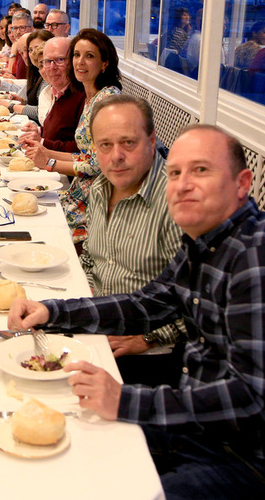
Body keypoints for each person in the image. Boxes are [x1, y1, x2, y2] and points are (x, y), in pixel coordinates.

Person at [9, 125, 265, 500]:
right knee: (66, 442)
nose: (183, 184)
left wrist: (125, 400)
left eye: (201, 170)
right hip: (211, 435)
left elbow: (252, 400)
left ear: (242, 183)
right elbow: (146, 304)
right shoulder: (207, 243)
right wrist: (51, 310)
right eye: (175, 173)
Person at [80, 95, 183, 386]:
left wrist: (147, 339)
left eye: (128, 143)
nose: (116, 156)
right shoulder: (101, 188)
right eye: (105, 145)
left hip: (150, 359)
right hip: (97, 329)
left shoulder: (175, 202)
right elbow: (90, 256)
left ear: (151, 141)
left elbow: (202, 300)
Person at [21, 29, 122, 244]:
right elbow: (85, 154)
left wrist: (49, 161)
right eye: (76, 55)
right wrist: (45, 152)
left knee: (34, 227)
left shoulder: (108, 101)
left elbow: (98, 164)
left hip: (98, 198)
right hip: (81, 189)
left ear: (105, 63)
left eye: (90, 56)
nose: (80, 62)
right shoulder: (90, 98)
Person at [18, 37, 85, 148]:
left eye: (60, 60)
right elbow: (59, 130)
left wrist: (42, 142)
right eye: (48, 62)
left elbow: (81, 150)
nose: (52, 67)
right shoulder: (58, 92)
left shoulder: (82, 95)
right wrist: (39, 131)